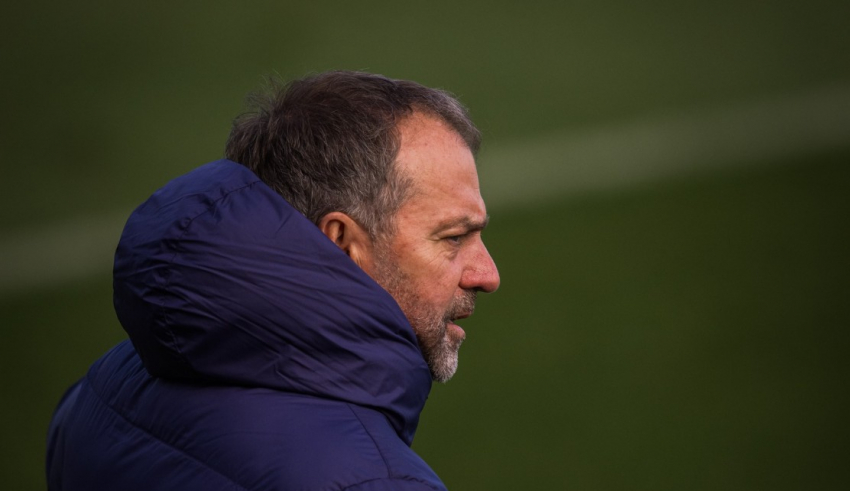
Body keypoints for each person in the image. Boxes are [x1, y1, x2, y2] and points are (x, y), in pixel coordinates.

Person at [46, 71, 500, 491]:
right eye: (453, 237)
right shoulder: (375, 482)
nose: (488, 275)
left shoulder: (101, 390)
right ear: (340, 241)